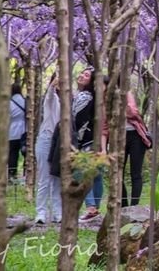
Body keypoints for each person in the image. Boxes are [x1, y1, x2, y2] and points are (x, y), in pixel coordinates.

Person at [71, 67, 103, 221]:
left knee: (81, 173)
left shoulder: (85, 96)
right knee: (96, 175)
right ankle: (95, 208)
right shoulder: (97, 98)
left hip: (85, 140)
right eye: (82, 73)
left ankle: (91, 208)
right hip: (96, 140)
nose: (81, 76)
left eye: (86, 75)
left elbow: (76, 118)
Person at [35, 75, 61, 225]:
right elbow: (50, 94)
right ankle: (41, 212)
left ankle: (58, 213)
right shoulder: (51, 99)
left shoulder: (68, 101)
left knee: (57, 178)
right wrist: (53, 84)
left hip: (59, 142)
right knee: (45, 178)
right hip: (47, 139)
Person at [121, 87, 150, 207]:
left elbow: (133, 112)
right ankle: (123, 205)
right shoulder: (107, 96)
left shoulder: (126, 93)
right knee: (117, 173)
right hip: (119, 135)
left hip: (135, 135)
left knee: (136, 173)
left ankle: (134, 206)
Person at [8, 83, 27, 180]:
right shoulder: (25, 101)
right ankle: (26, 173)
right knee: (26, 153)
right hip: (24, 130)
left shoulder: (9, 103)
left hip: (12, 132)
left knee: (12, 154)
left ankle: (12, 174)